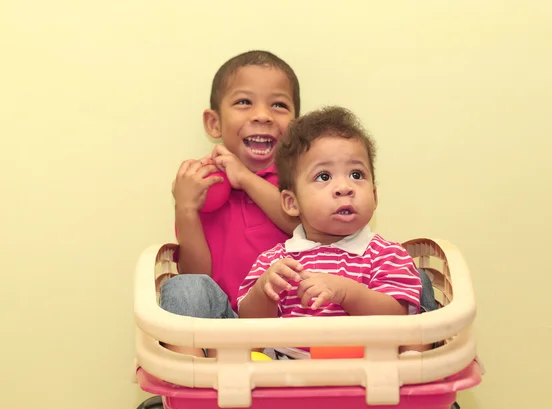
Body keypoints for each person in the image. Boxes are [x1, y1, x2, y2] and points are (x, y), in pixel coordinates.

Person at [237, 106, 431, 353]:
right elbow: (246, 330)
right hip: (287, 377)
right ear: (291, 203)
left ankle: (414, 382)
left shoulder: (387, 254)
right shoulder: (275, 261)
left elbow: (399, 319)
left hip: (369, 373)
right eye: (324, 176)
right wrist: (265, 291)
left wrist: (346, 292)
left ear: (374, 195)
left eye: (356, 174)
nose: (344, 187)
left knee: (418, 336)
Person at [160, 50, 301, 356]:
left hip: (294, 327)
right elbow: (198, 274)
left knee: (407, 277)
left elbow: (300, 222)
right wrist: (185, 209)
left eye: (278, 104)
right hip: (225, 331)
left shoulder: (301, 181)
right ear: (214, 124)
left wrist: (246, 179)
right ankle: (197, 386)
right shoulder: (204, 185)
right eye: (244, 102)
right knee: (183, 288)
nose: (262, 115)